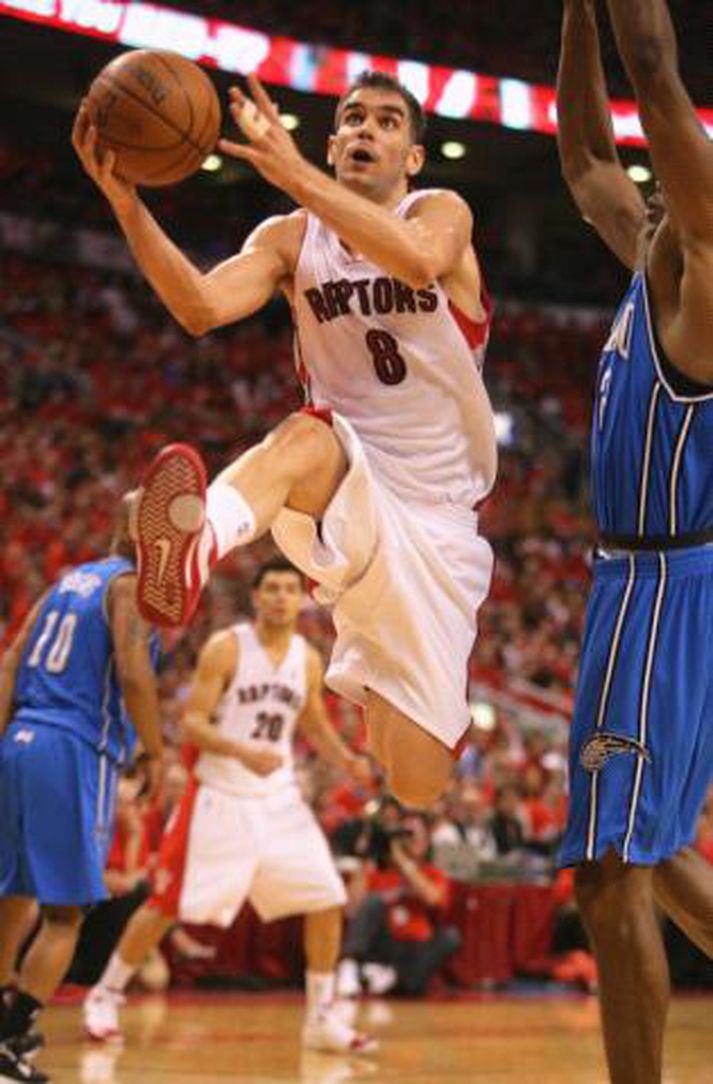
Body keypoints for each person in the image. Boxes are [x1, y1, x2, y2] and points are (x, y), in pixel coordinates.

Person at [72, 69, 497, 810]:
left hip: (436, 514)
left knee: (414, 783)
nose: (366, 130)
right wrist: (126, 202)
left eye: (387, 122)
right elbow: (201, 306)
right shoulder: (291, 238)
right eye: (353, 118)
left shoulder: (442, 211)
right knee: (305, 434)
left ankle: (389, 683)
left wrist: (295, 173)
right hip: (341, 478)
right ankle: (197, 540)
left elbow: (419, 260)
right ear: (332, 142)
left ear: (413, 158)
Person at [557, 3, 713, 1082]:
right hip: (643, 582)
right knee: (650, 860)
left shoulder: (700, 268)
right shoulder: (646, 253)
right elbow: (580, 156)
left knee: (609, 871)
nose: (644, 184)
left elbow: (652, 68)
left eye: (668, 172)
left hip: (659, 583)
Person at [83, 558, 377, 1054]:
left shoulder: (306, 658)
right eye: (273, 588)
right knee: (167, 905)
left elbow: (313, 726)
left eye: (291, 588)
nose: (283, 596)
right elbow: (193, 722)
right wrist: (243, 752)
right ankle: (105, 995)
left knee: (326, 899)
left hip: (279, 798)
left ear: (302, 600)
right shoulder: (227, 648)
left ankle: (321, 1016)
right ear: (257, 598)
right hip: (218, 794)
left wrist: (349, 762)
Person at [0, 498, 163, 1084]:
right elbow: (134, 673)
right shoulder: (129, 589)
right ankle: (12, 1043)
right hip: (72, 747)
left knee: (13, 894)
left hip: (17, 739)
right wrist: (156, 748)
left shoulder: (68, 581)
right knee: (65, 913)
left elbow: (11, 661)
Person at [338, 812, 460, 998]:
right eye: (406, 835)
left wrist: (404, 861)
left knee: (450, 937)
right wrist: (365, 860)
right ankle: (350, 963)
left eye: (416, 835)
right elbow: (350, 909)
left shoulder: (433, 872)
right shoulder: (379, 872)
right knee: (373, 901)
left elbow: (432, 898)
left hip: (414, 948)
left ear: (427, 841)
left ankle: (391, 977)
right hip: (384, 943)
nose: (412, 840)